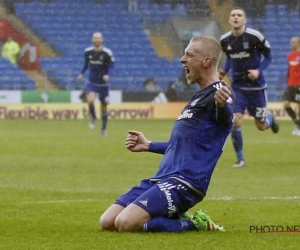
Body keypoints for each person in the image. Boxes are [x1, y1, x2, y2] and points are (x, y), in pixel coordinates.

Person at [100, 36, 234, 233]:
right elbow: (183, 144)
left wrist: (222, 105)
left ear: (206, 61)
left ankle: (194, 224)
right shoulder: (198, 97)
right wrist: (148, 145)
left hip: (185, 182)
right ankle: (170, 215)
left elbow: (226, 118)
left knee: (126, 223)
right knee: (108, 221)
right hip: (163, 177)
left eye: (189, 55)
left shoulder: (219, 93)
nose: (182, 59)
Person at [219, 7, 279, 168]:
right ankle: (240, 160)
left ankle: (270, 119)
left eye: (239, 15)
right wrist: (224, 71)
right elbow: (230, 59)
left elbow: (269, 56)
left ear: (245, 20)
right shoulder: (225, 40)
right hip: (238, 88)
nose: (236, 18)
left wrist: (258, 71)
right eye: (233, 15)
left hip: (257, 89)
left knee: (261, 126)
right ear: (230, 20)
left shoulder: (255, 37)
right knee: (236, 121)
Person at [77, 32, 114, 136]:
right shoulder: (88, 52)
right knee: (90, 100)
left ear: (102, 40)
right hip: (92, 82)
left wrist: (108, 75)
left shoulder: (107, 53)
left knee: (103, 107)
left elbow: (111, 67)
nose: (97, 40)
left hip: (103, 85)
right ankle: (93, 117)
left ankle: (103, 128)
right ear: (92, 40)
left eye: (98, 38)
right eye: (95, 38)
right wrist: (81, 73)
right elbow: (86, 64)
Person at [283, 37, 300, 135]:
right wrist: (287, 80)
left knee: (299, 106)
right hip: (290, 84)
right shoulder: (289, 55)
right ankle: (297, 123)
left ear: (298, 43)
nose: (291, 44)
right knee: (286, 104)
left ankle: (298, 127)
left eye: (293, 42)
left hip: (299, 84)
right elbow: (289, 70)